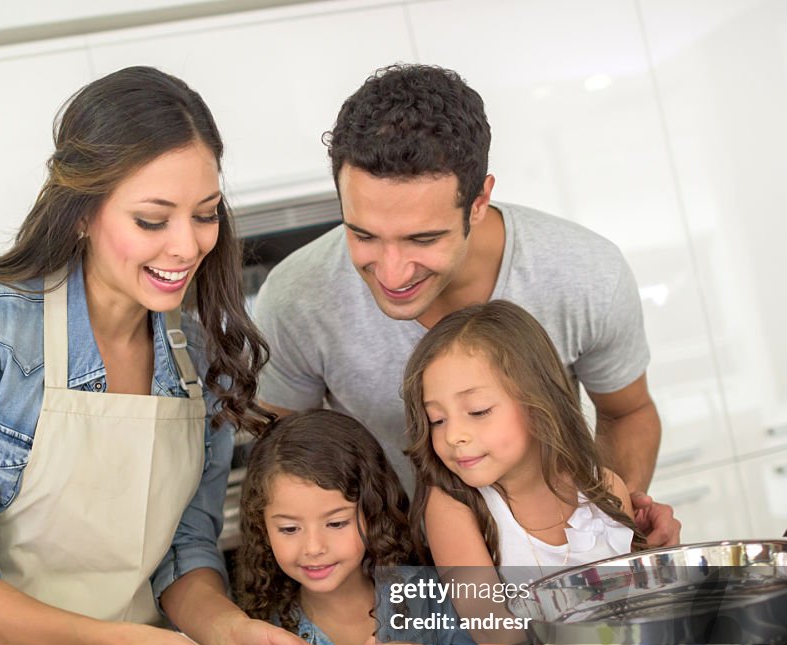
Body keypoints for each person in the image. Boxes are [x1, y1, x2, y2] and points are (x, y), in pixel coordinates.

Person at [0, 67, 322, 645]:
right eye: (152, 219)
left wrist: (225, 630)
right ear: (82, 213)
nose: (187, 245)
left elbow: (183, 559)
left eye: (206, 212)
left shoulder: (199, 357)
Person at [251, 63, 679, 547]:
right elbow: (280, 462)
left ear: (478, 202)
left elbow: (627, 413)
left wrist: (612, 526)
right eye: (363, 234)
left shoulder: (583, 272)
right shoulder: (296, 299)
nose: (392, 273)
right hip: (395, 576)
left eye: (424, 238)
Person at [401, 300, 644, 645]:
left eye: (478, 410)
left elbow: (637, 607)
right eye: (437, 419)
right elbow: (493, 633)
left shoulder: (605, 488)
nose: (454, 435)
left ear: (538, 401)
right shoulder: (454, 506)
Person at [236, 410, 479, 645]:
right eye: (289, 529)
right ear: (261, 527)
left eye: (337, 523)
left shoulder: (434, 593)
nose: (314, 548)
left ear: (373, 512)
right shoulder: (264, 633)